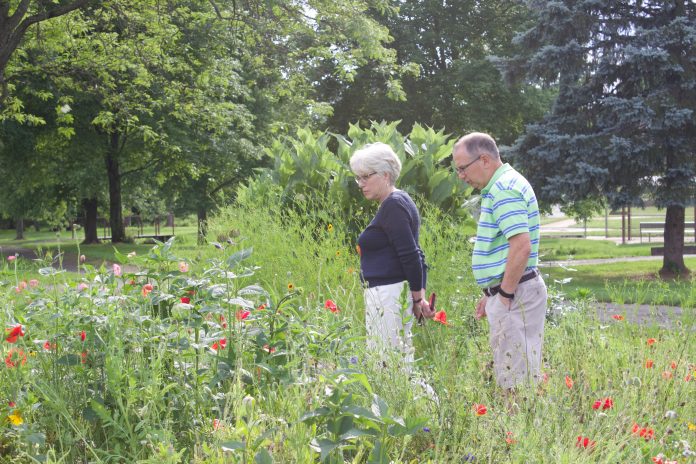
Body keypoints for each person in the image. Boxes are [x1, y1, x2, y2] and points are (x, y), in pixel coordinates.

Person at [452, 132, 547, 391]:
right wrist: (491, 291)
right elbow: (506, 247)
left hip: (515, 295)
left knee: (514, 382)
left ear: (483, 159)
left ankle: (517, 433)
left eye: (462, 168)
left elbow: (521, 247)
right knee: (519, 374)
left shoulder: (503, 189)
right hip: (512, 291)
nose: (461, 176)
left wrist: (503, 293)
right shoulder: (501, 185)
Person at [351, 142, 434, 367]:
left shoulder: (394, 206)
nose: (361, 184)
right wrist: (418, 296)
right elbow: (417, 254)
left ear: (386, 175)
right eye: (358, 178)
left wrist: (418, 299)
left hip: (388, 295)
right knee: (393, 362)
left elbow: (411, 255)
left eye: (366, 176)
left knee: (388, 365)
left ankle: (427, 402)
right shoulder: (397, 202)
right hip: (389, 293)